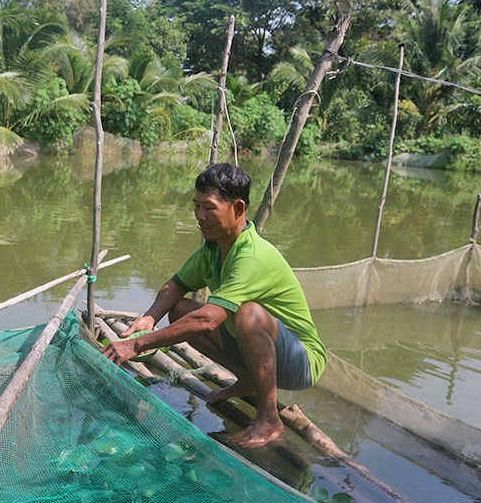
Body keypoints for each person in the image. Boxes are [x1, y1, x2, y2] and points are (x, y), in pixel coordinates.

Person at [101, 162, 326, 448]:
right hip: (264, 350)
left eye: (209, 208)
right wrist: (149, 318)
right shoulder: (212, 247)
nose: (200, 216)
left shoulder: (252, 256)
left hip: (301, 360)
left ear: (238, 208)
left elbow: (207, 320)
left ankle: (269, 419)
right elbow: (176, 285)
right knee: (181, 310)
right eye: (196, 206)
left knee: (248, 315)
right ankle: (247, 379)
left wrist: (136, 345)